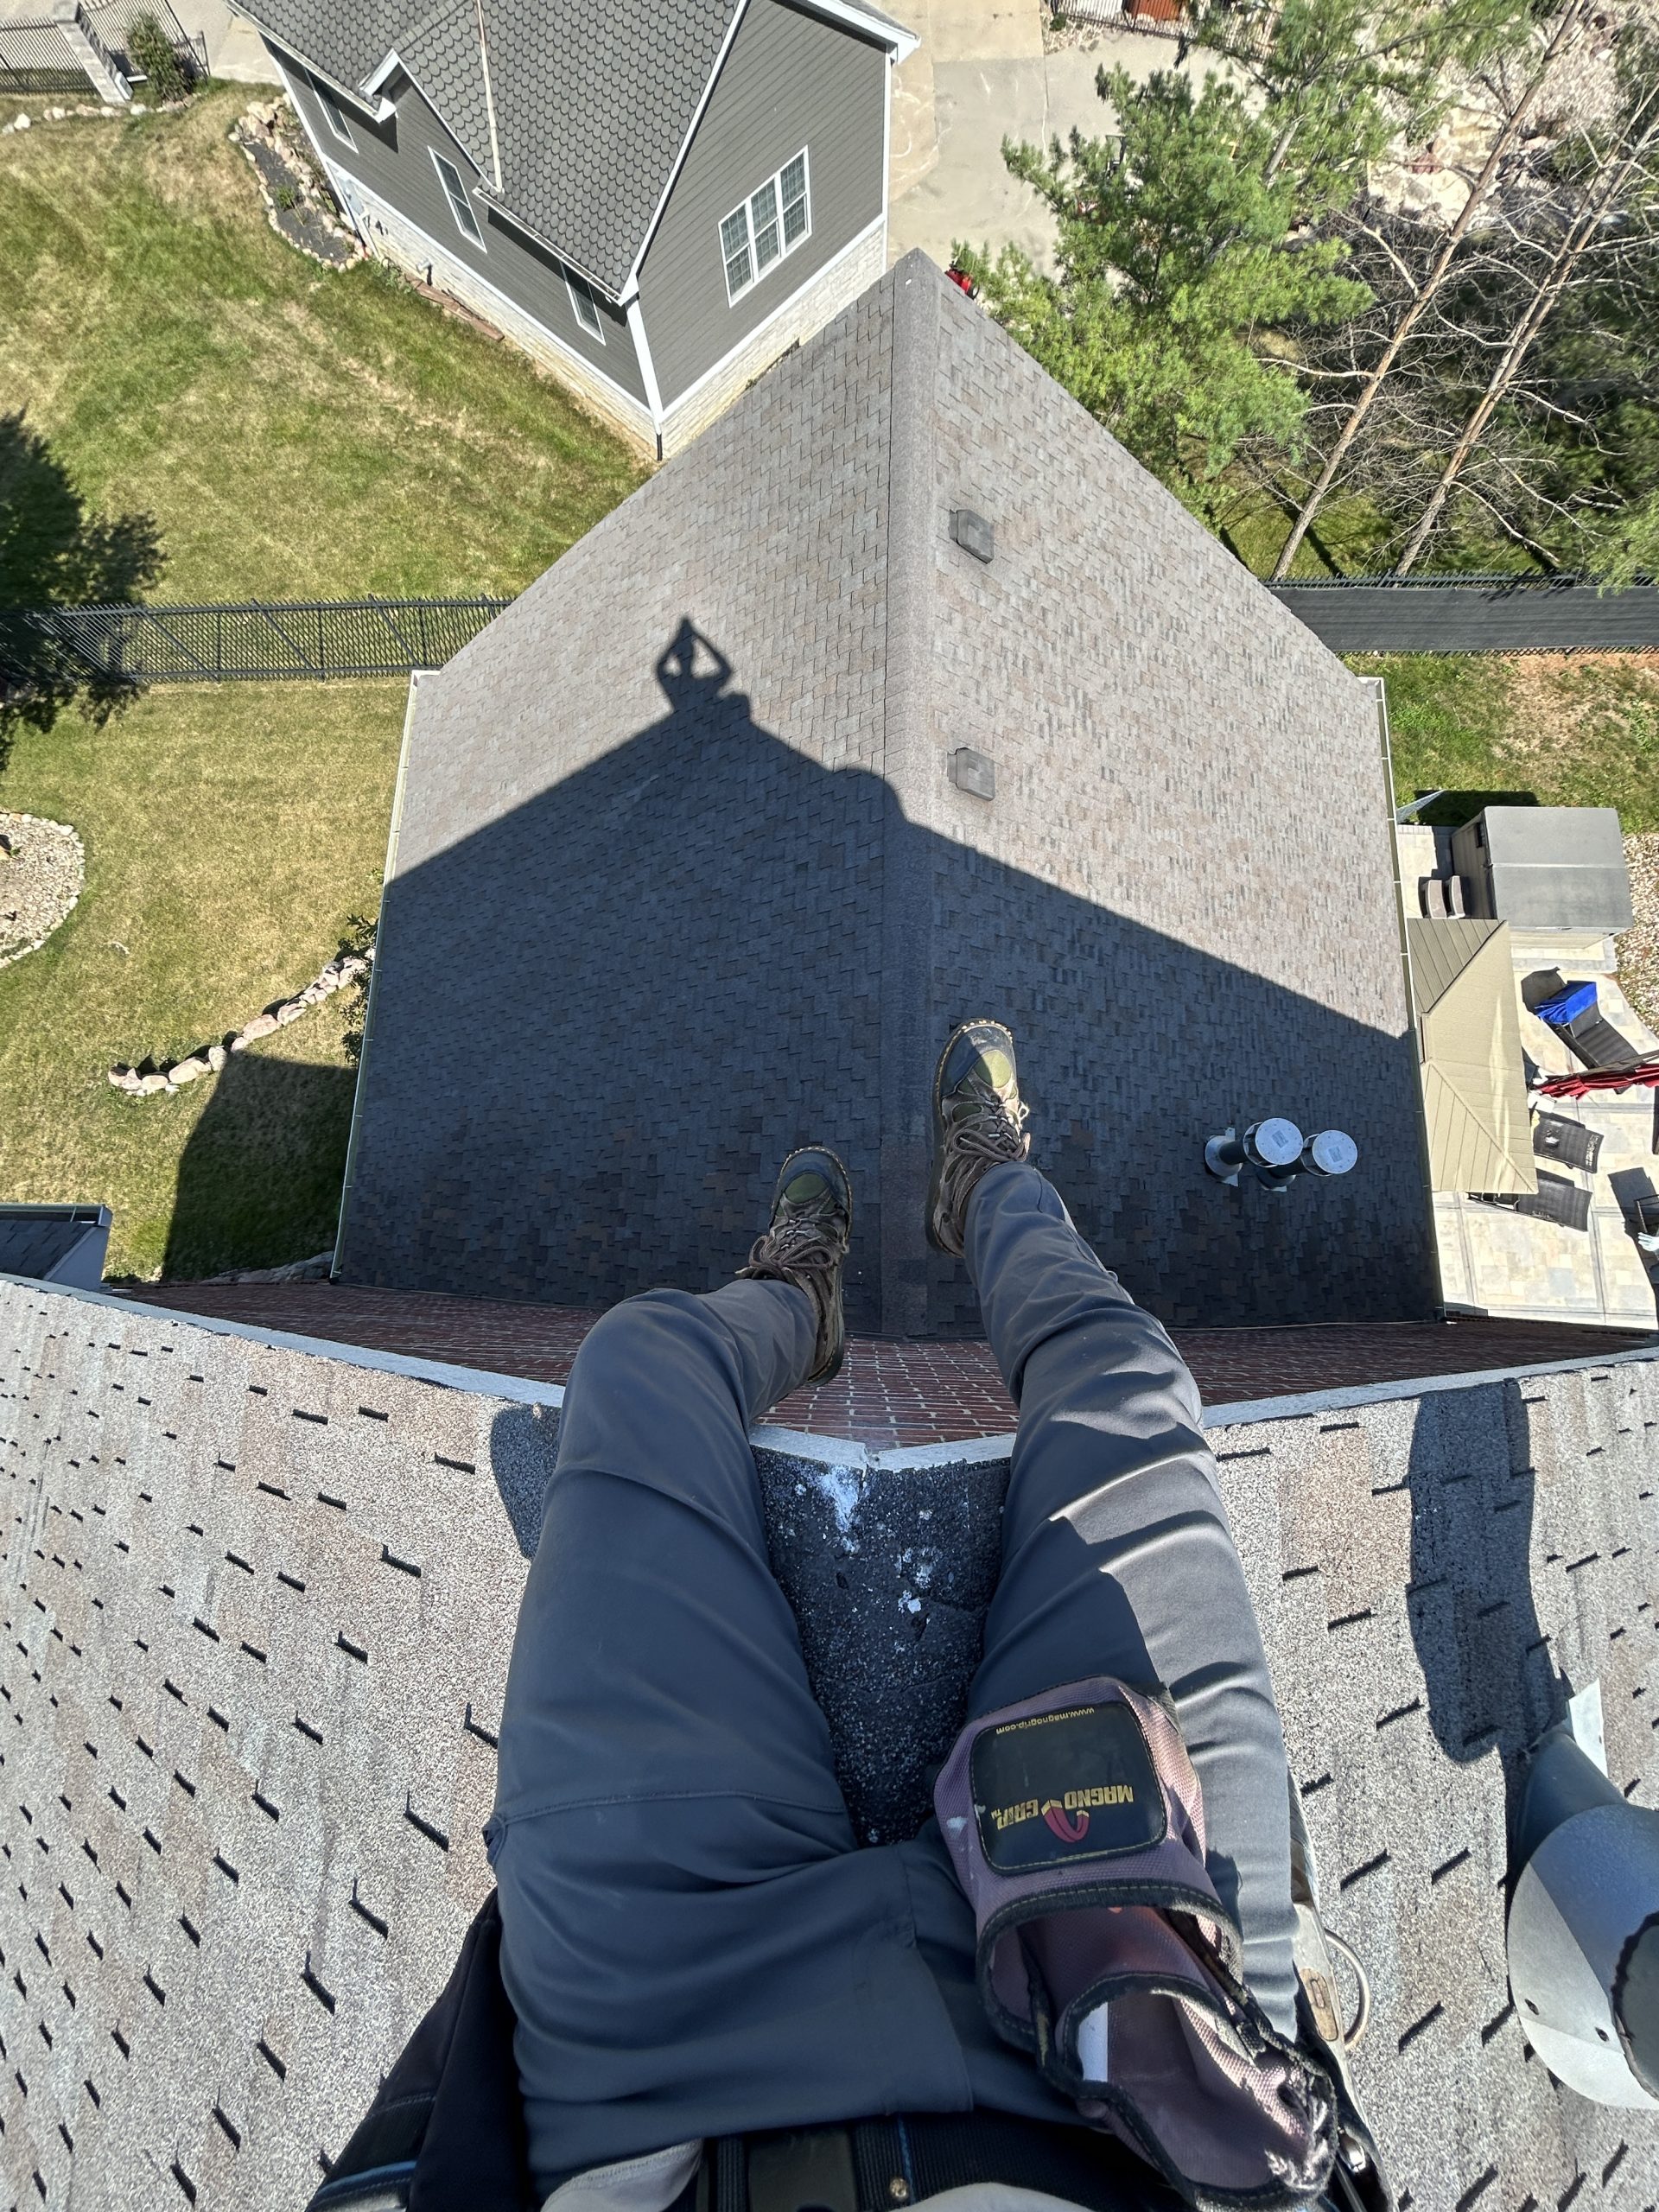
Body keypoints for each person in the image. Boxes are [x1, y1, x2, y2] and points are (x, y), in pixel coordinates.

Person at [471, 1021, 1386, 2212]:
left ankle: (795, 1295)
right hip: (1151, 2060)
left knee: (639, 1361)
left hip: (661, 2060)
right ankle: (988, 1184)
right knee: (1125, 1384)